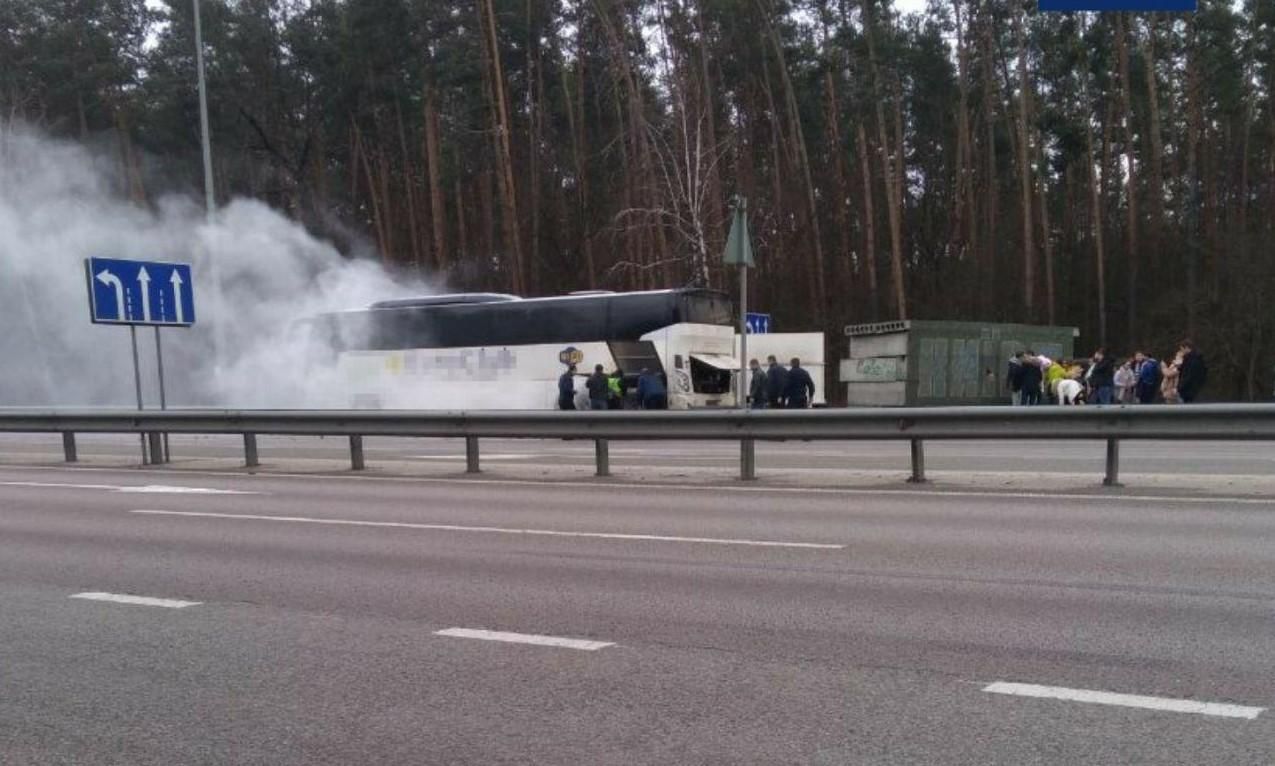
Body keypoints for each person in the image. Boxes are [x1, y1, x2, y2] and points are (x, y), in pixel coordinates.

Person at [1177, 339, 1208, 403]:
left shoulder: (1194, 360)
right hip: (1189, 391)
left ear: (1187, 348)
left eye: (1182, 349)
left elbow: (1189, 376)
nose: (1181, 351)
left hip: (1189, 392)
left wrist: (1180, 388)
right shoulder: (1191, 359)